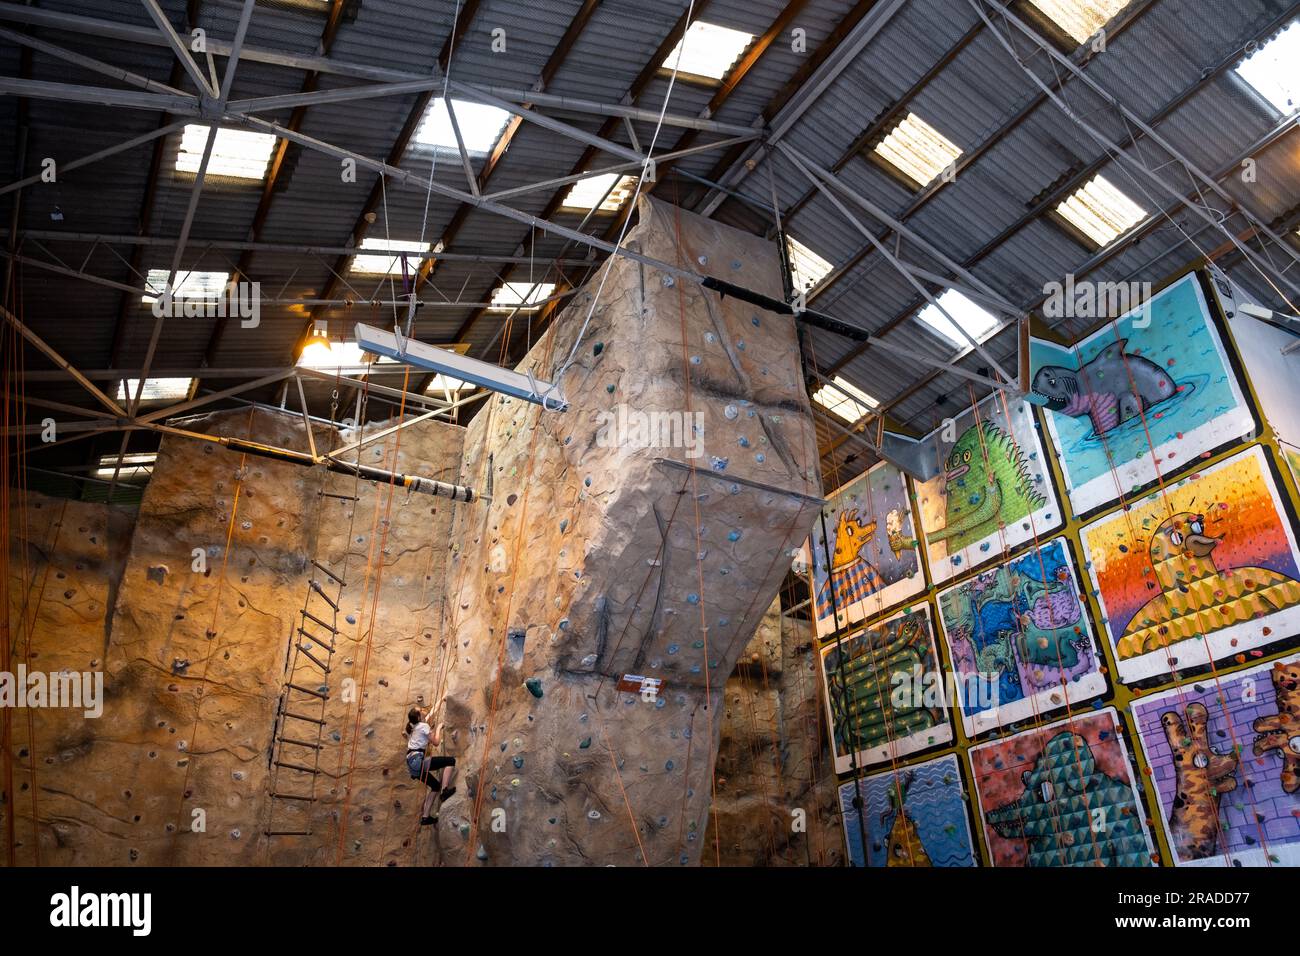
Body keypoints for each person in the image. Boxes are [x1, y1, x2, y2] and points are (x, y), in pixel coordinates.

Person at [405, 704, 457, 826]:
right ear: (418, 717)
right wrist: (438, 728)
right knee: (450, 761)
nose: (423, 711)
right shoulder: (422, 726)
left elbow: (431, 712)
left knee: (434, 786)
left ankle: (425, 817)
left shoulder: (415, 727)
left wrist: (442, 699)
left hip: (412, 765)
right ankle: (444, 791)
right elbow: (436, 742)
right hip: (418, 761)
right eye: (420, 711)